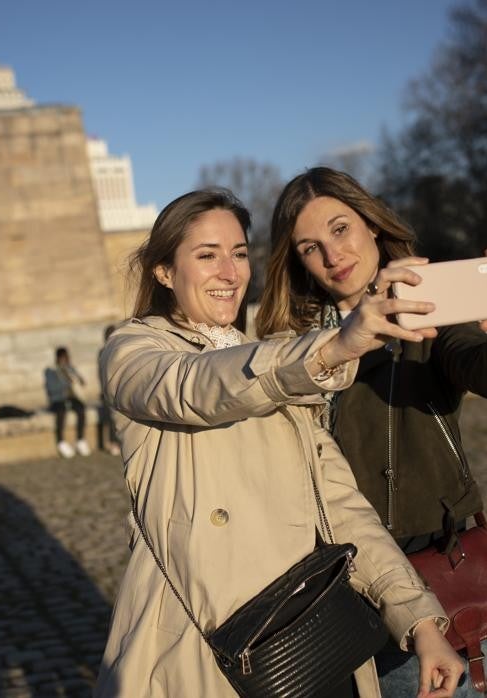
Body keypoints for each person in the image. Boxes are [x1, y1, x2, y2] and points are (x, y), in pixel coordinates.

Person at [96, 189, 463, 697]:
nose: (230, 272)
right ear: (163, 271)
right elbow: (194, 388)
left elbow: (340, 507)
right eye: (207, 256)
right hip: (209, 645)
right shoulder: (134, 350)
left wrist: (421, 622)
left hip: (310, 638)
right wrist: (331, 347)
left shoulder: (272, 359)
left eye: (240, 253)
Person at [256, 167, 487, 697]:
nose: (332, 255)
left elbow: (480, 366)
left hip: (423, 573)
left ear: (371, 224)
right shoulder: (290, 345)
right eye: (310, 246)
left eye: (341, 229)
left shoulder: (427, 310)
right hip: (320, 590)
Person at [43, 347, 90, 458]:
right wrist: (67, 382)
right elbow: (51, 388)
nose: (66, 360)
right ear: (58, 358)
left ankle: (80, 439)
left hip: (71, 398)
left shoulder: (70, 368)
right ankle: (61, 441)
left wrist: (78, 379)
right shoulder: (50, 371)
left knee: (81, 408)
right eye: (64, 358)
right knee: (61, 411)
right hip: (57, 399)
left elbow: (80, 381)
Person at [95, 324, 121, 456]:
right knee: (112, 418)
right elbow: (102, 373)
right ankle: (113, 443)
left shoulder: (118, 349)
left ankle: (118, 442)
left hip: (118, 388)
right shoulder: (104, 351)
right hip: (109, 389)